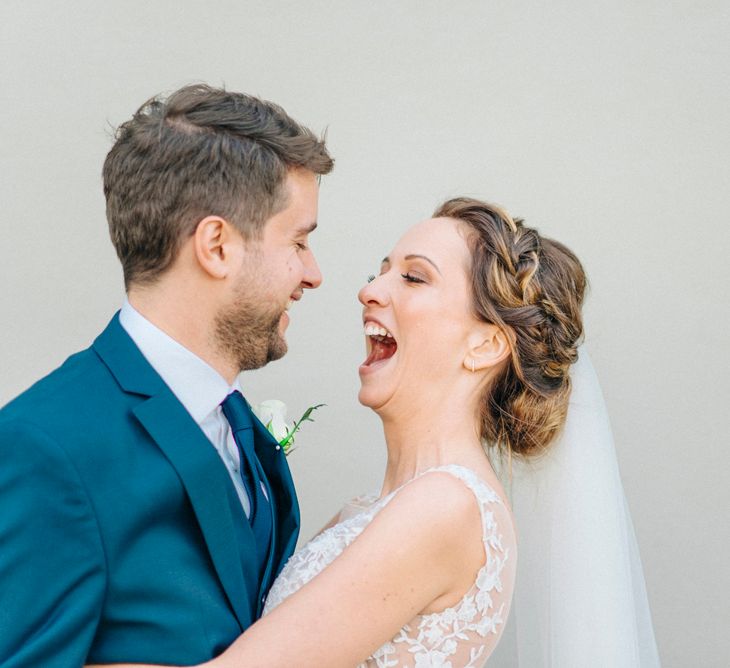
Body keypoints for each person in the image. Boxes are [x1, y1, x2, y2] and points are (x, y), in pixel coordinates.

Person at [96, 196, 651, 668]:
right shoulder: (371, 510)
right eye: (379, 271)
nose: (369, 290)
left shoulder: (444, 506)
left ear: (485, 345)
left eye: (413, 277)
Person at [0, 84, 333, 666]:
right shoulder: (45, 446)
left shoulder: (240, 427)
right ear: (217, 246)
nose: (313, 273)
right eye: (299, 241)